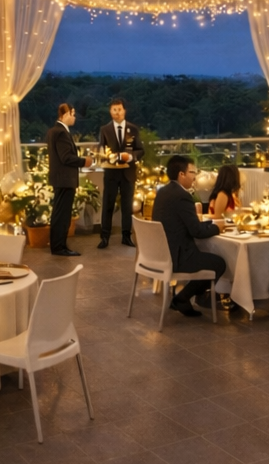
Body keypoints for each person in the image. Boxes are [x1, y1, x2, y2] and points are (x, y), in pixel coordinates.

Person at [151, 155, 226, 317]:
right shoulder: (182, 196)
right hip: (177, 257)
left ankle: (185, 299)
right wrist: (217, 229)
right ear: (181, 174)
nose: (195, 176)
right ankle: (183, 298)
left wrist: (209, 225)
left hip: (159, 253)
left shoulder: (164, 191)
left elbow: (185, 224)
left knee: (211, 258)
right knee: (219, 263)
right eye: (193, 172)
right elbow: (196, 232)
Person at [46, 103, 93, 257]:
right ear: (65, 114)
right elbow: (66, 157)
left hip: (60, 179)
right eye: (73, 114)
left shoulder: (54, 131)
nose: (74, 118)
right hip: (64, 180)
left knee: (60, 213)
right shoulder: (61, 132)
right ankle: (59, 247)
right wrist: (83, 161)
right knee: (62, 214)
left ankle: (59, 245)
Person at [97, 99, 143, 249]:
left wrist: (129, 157)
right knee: (108, 205)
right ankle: (105, 236)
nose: (117, 112)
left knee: (127, 206)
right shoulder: (105, 129)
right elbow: (101, 149)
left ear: (124, 111)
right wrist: (107, 156)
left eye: (119, 109)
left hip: (128, 173)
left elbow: (140, 150)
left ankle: (126, 236)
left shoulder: (133, 129)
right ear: (110, 112)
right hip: (111, 172)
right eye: (114, 110)